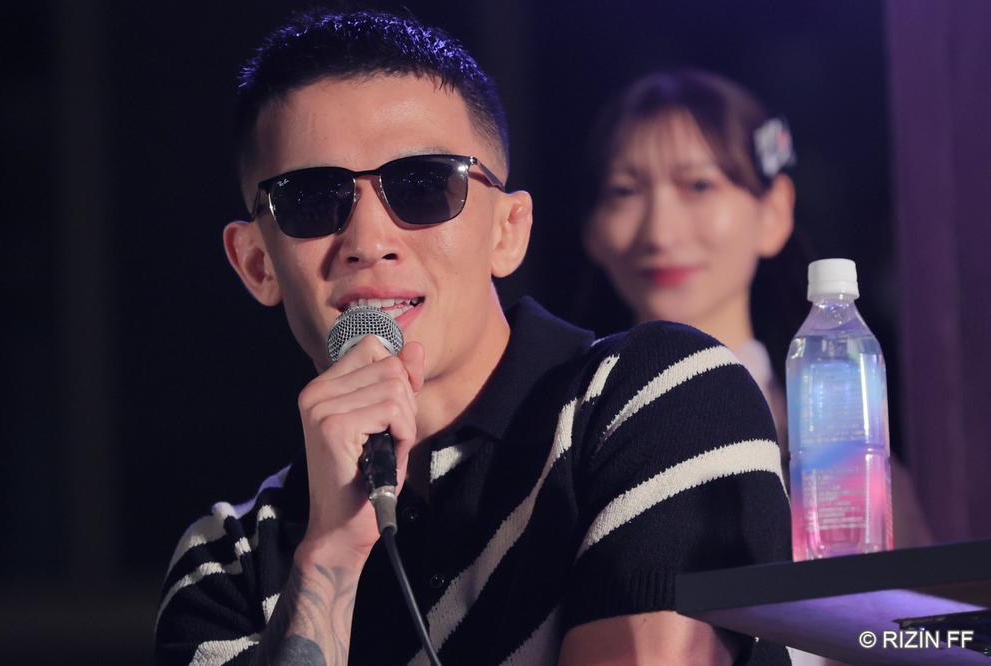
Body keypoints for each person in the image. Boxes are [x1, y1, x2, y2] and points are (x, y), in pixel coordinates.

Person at [155, 11, 791, 665]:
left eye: (423, 186)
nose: (369, 242)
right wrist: (330, 555)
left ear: (507, 231)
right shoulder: (225, 561)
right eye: (313, 200)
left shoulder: (662, 399)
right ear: (256, 262)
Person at [580, 69, 932, 664]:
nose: (660, 231)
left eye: (699, 185)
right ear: (592, 230)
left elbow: (928, 640)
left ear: (774, 212)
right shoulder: (563, 435)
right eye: (624, 191)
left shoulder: (843, 449)